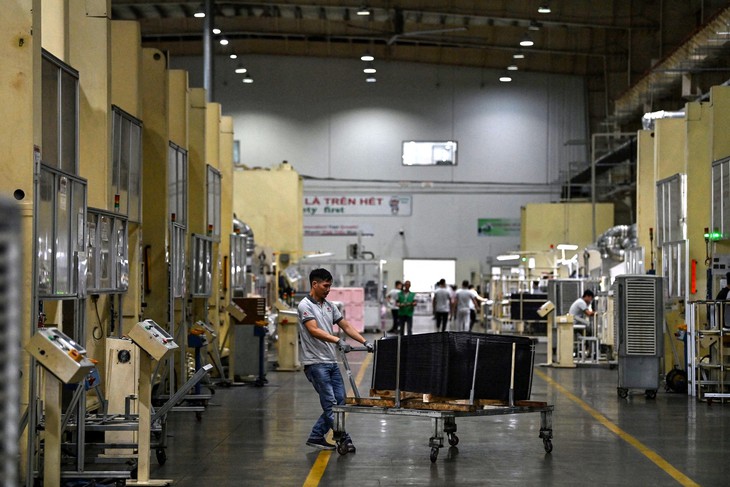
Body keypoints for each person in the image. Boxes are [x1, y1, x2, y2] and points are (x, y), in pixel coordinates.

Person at [298, 268, 373, 451]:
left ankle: (316, 436)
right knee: (331, 404)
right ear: (314, 284)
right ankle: (344, 439)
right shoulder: (305, 306)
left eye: (330, 286)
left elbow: (345, 325)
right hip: (315, 363)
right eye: (325, 286)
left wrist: (365, 341)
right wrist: (338, 340)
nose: (328, 289)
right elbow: (313, 330)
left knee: (340, 401)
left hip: (331, 362)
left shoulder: (330, 306)